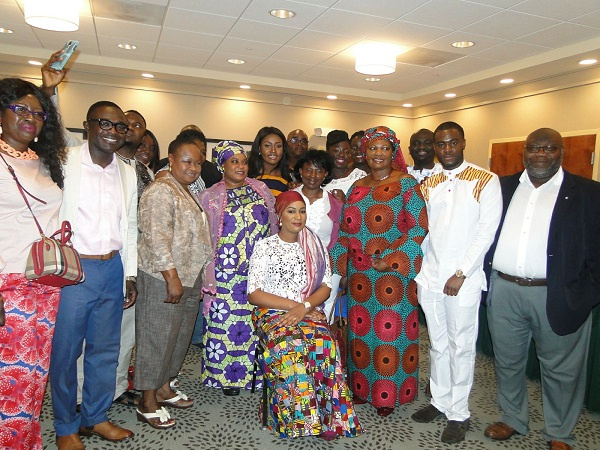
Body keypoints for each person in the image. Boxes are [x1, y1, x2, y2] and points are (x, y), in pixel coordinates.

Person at [483, 128, 600, 450]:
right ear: (525, 150)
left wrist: (584, 295)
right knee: (507, 361)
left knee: (561, 371)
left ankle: (559, 434)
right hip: (504, 290)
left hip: (559, 294)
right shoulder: (502, 187)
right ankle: (512, 418)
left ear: (561, 152)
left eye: (549, 148)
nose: (540, 154)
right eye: (534, 148)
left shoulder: (589, 193)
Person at [50, 101, 137, 449]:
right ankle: (65, 424)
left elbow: (127, 225)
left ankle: (95, 417)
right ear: (86, 125)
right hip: (74, 269)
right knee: (66, 352)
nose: (112, 132)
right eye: (105, 123)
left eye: (120, 127)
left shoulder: (127, 171)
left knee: (105, 349)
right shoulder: (64, 162)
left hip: (111, 267)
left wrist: (129, 274)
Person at [411, 121, 501, 444]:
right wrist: (420, 271)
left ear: (464, 143)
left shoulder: (485, 180)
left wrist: (461, 271)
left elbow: (486, 232)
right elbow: (424, 232)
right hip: (431, 278)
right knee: (437, 344)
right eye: (440, 144)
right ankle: (439, 400)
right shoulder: (429, 182)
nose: (446, 149)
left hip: (462, 280)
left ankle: (459, 412)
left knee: (461, 346)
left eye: (452, 143)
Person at [248, 190, 363, 440]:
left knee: (324, 344)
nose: (298, 216)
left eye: (302, 211)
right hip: (272, 312)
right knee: (290, 346)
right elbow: (254, 294)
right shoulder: (265, 247)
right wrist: (294, 306)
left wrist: (305, 306)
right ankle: (300, 420)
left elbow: (326, 286)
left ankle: (330, 418)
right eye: (291, 211)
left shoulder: (315, 246)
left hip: (308, 310)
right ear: (279, 215)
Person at [330, 126, 428, 417]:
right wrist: (341, 268)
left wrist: (393, 259)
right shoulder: (357, 187)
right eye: (372, 148)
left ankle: (388, 395)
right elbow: (346, 231)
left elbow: (419, 228)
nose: (378, 154)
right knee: (360, 336)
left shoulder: (407, 184)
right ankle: (361, 390)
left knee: (389, 336)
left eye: (384, 148)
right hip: (360, 278)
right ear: (365, 152)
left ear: (393, 152)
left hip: (392, 278)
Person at [0, 78, 66, 450]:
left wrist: (49, 91)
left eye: (38, 113)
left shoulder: (42, 161)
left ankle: (24, 441)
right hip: (8, 286)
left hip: (44, 284)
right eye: (20, 109)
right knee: (10, 379)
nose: (30, 118)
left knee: (31, 378)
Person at [134, 135, 213, 428]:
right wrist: (171, 277)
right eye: (187, 161)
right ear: (170, 158)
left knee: (177, 338)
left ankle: (165, 387)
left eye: (198, 162)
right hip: (164, 277)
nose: (194, 168)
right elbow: (156, 236)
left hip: (188, 276)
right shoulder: (160, 190)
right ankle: (147, 400)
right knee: (157, 338)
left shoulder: (184, 188)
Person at [198, 141, 277, 396]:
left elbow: (273, 225)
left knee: (255, 323)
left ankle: (254, 375)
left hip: (258, 270)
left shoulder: (261, 189)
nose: (240, 166)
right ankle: (227, 377)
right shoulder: (210, 196)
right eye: (234, 162)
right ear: (222, 165)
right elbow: (203, 236)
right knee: (225, 324)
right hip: (225, 274)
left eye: (243, 161)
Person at [292, 149, 343, 320]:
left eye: (319, 170)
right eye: (308, 169)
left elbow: (342, 237)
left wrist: (337, 268)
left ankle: (323, 347)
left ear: (326, 174)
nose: (313, 175)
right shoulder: (288, 197)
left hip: (327, 268)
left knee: (323, 314)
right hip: (293, 267)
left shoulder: (335, 203)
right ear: (300, 171)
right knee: (294, 310)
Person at [323, 129, 366, 198]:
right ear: (327, 152)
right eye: (336, 151)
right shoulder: (320, 177)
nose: (342, 155)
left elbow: (363, 206)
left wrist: (344, 202)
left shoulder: (359, 177)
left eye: (346, 152)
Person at [248, 126, 290, 196]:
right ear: (259, 148)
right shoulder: (247, 175)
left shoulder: (289, 176)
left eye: (278, 146)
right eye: (267, 146)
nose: (273, 151)